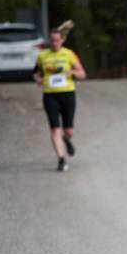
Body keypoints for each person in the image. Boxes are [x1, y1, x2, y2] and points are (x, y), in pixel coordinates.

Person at [33, 24, 86, 172]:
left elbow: (82, 74)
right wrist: (38, 80)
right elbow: (36, 73)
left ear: (62, 40)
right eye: (52, 40)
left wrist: (73, 73)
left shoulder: (69, 54)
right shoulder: (43, 56)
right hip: (50, 95)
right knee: (54, 128)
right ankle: (61, 159)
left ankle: (66, 139)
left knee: (68, 130)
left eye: (57, 40)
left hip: (68, 94)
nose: (54, 43)